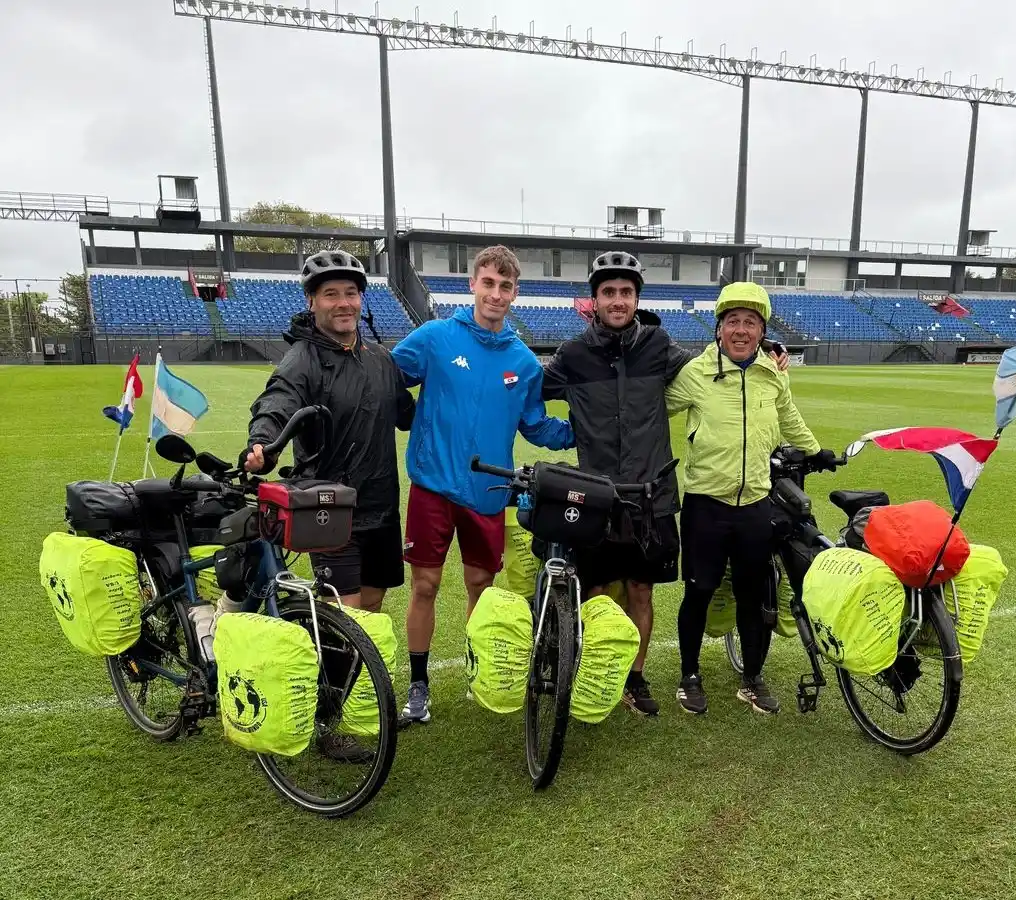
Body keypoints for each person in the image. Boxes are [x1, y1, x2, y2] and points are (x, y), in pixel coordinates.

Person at [540, 251, 789, 716]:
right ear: (593, 300)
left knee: (641, 590)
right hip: (597, 496)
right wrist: (559, 433)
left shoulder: (659, 346)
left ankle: (635, 678)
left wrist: (765, 353)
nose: (618, 300)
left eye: (626, 292)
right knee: (595, 592)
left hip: (650, 496)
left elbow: (714, 369)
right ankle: (598, 673)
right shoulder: (573, 355)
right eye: (609, 292)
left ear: (637, 298)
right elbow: (530, 394)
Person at [391, 245, 574, 724]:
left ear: (516, 293)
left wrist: (581, 430)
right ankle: (419, 685)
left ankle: (477, 671)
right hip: (432, 487)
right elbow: (387, 377)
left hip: (489, 492)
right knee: (425, 585)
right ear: (473, 284)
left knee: (481, 584)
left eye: (505, 286)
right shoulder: (434, 338)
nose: (496, 293)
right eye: (488, 283)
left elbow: (535, 425)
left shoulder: (524, 362)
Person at [664, 281, 837, 716]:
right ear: (719, 328)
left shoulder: (771, 374)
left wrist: (816, 451)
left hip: (756, 504)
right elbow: (654, 408)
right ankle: (689, 676)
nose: (741, 330)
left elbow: (789, 416)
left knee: (753, 594)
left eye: (751, 322)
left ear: (761, 331)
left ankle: (753, 678)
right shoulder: (695, 373)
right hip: (706, 504)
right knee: (699, 591)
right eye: (733, 321)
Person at [243, 249, 414, 615]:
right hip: (329, 507)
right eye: (330, 294)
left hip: (381, 506)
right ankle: (331, 675)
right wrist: (261, 443)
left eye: (350, 293)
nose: (343, 303)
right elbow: (277, 401)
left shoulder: (381, 359)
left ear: (361, 299)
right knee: (344, 612)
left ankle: (362, 676)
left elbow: (408, 414)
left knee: (371, 606)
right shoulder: (302, 358)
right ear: (312, 300)